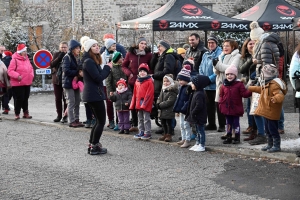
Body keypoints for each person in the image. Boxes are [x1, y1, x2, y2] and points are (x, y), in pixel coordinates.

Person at [247, 21, 281, 145]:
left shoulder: (265, 45)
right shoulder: (268, 43)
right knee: (261, 110)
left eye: (254, 40)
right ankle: (267, 138)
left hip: (266, 82)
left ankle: (265, 137)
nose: (254, 43)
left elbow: (267, 67)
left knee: (262, 110)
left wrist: (260, 82)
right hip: (265, 80)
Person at [82, 38, 111, 155]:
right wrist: (108, 67)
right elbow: (98, 77)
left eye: (97, 45)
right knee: (101, 121)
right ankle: (94, 146)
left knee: (98, 121)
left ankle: (92, 144)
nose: (97, 47)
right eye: (94, 46)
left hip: (93, 94)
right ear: (89, 49)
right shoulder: (89, 61)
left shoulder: (91, 60)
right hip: (94, 94)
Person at [248, 64, 287, 152]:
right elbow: (261, 89)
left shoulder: (274, 85)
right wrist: (251, 88)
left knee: (273, 129)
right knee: (267, 129)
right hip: (267, 111)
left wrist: (275, 98)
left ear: (266, 75)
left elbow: (280, 95)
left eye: (262, 73)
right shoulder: (267, 83)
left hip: (272, 111)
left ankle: (276, 145)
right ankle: (270, 144)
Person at [122, 37, 152, 132]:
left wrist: (149, 74)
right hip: (132, 81)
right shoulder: (130, 53)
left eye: (145, 44)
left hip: (144, 82)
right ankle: (134, 123)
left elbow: (151, 67)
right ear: (137, 44)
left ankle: (144, 126)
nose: (143, 45)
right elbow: (124, 65)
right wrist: (128, 73)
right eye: (141, 43)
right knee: (133, 103)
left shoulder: (149, 55)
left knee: (143, 103)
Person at [213, 39, 241, 133]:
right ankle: (227, 131)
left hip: (232, 87)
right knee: (222, 108)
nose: (225, 47)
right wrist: (216, 66)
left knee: (232, 111)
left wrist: (218, 65)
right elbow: (216, 71)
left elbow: (231, 69)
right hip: (221, 84)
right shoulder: (221, 56)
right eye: (224, 46)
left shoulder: (237, 56)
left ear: (233, 47)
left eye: (227, 46)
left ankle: (234, 133)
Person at [219, 65, 252, 144]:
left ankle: (237, 137)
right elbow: (221, 95)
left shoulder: (239, 84)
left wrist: (251, 90)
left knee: (236, 123)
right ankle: (229, 136)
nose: (229, 76)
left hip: (235, 108)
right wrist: (221, 104)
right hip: (227, 108)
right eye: (227, 74)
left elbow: (244, 94)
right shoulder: (224, 85)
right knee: (228, 123)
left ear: (235, 75)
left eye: (231, 74)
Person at [199, 34, 223, 131]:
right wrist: (203, 78)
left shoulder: (220, 53)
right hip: (206, 85)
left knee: (219, 106)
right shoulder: (205, 54)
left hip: (216, 83)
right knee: (209, 106)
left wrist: (209, 79)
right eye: (209, 43)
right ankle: (211, 124)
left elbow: (219, 69)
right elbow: (201, 67)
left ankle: (222, 125)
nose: (210, 44)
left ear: (216, 43)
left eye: (212, 42)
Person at [8, 43, 34, 120]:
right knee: (20, 98)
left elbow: (31, 69)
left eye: (26, 51)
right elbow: (10, 71)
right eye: (24, 51)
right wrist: (17, 76)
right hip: (18, 83)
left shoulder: (27, 59)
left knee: (26, 98)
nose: (25, 53)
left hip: (27, 82)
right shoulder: (14, 60)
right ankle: (17, 113)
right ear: (20, 52)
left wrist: (31, 76)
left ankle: (26, 112)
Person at [61, 39, 84, 127]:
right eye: (77, 48)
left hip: (76, 82)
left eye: (79, 48)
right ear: (73, 49)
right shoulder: (67, 57)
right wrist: (77, 73)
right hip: (68, 82)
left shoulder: (78, 57)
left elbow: (80, 66)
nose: (79, 50)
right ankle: (72, 120)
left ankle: (77, 119)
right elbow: (66, 70)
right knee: (71, 102)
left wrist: (81, 71)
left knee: (77, 101)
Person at [186, 74, 211, 152]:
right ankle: (197, 143)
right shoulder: (196, 92)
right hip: (196, 116)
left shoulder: (200, 94)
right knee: (197, 130)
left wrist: (193, 112)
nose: (191, 84)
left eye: (193, 83)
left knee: (200, 131)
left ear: (197, 84)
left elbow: (199, 105)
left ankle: (202, 145)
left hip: (199, 116)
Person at [131, 63, 154, 140]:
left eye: (144, 71)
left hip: (146, 103)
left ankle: (147, 132)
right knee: (140, 118)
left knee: (146, 118)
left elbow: (149, 94)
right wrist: (133, 103)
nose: (142, 72)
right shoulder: (137, 81)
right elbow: (134, 93)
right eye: (141, 71)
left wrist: (144, 104)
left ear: (147, 72)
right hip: (138, 103)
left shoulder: (149, 81)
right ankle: (141, 131)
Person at [239, 38, 257, 136]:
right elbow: (241, 69)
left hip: (257, 83)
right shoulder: (244, 57)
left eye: (254, 43)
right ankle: (251, 126)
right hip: (248, 84)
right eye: (250, 44)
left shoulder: (260, 55)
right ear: (246, 46)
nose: (252, 45)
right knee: (249, 106)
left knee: (256, 107)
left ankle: (257, 128)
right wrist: (251, 60)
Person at [106, 52, 127, 130]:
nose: (122, 59)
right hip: (114, 90)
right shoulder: (111, 67)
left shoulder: (123, 67)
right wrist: (110, 90)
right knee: (113, 105)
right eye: (121, 58)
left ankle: (120, 122)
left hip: (123, 89)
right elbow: (108, 81)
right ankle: (111, 121)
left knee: (121, 106)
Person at [173, 65, 192, 148]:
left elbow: (189, 100)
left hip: (186, 110)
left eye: (182, 80)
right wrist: (177, 109)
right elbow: (178, 99)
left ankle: (188, 140)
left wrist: (185, 108)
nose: (180, 81)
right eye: (179, 80)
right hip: (181, 110)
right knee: (181, 124)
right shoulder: (181, 87)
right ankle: (183, 138)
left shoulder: (189, 88)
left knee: (186, 125)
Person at [50, 41, 68, 122]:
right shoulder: (56, 54)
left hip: (66, 80)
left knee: (66, 99)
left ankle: (65, 115)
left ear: (67, 48)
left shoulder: (69, 55)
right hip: (57, 80)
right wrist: (59, 58)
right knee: (58, 98)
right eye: (62, 47)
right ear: (59, 48)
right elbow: (51, 64)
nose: (63, 49)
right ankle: (59, 115)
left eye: (65, 47)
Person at [156, 74, 178, 142]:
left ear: (171, 82)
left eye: (167, 81)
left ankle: (169, 135)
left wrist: (160, 105)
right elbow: (159, 98)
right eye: (164, 81)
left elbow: (170, 101)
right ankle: (165, 134)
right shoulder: (163, 89)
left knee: (169, 124)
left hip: (169, 110)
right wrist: (157, 103)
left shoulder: (172, 90)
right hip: (162, 110)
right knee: (163, 123)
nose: (165, 83)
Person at [101, 38, 117, 129]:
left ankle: (119, 121)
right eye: (112, 45)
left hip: (116, 81)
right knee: (109, 102)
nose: (114, 47)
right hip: (106, 81)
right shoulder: (103, 55)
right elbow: (102, 67)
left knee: (118, 101)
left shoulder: (118, 54)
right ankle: (111, 120)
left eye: (115, 45)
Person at [1, 50, 13, 115]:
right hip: (13, 81)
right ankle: (17, 110)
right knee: (13, 95)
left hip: (5, 81)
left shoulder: (3, 61)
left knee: (5, 95)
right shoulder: (13, 60)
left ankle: (6, 109)